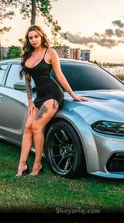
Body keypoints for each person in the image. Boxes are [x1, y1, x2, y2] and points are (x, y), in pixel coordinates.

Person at [16, 25, 88, 177]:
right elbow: (28, 81)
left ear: (41, 36)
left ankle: (37, 164)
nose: (34, 40)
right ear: (28, 40)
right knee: (27, 127)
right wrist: (30, 101)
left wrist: (73, 95)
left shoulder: (50, 52)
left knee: (36, 126)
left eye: (36, 36)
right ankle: (22, 165)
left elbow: (59, 75)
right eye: (31, 37)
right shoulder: (26, 56)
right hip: (39, 97)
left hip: (53, 95)